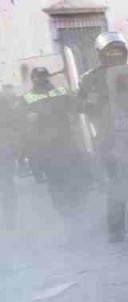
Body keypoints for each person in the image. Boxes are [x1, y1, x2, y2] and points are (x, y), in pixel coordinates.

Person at [78, 32, 128, 242]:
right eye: (110, 51)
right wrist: (91, 102)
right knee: (117, 182)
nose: (115, 55)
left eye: (119, 50)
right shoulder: (90, 78)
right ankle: (115, 229)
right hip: (109, 138)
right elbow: (80, 105)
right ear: (101, 53)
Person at [21, 67, 89, 215]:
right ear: (33, 79)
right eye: (37, 77)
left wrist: (86, 101)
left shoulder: (61, 91)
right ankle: (63, 209)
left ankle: (77, 205)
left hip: (65, 140)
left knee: (73, 173)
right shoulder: (27, 97)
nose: (41, 79)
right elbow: (21, 123)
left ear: (48, 76)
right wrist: (27, 119)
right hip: (45, 146)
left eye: (43, 76)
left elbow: (77, 106)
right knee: (54, 178)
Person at [0, 85, 20, 229]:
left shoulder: (3, 100)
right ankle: (9, 220)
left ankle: (9, 220)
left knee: (6, 185)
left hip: (3, 149)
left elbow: (13, 123)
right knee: (7, 186)